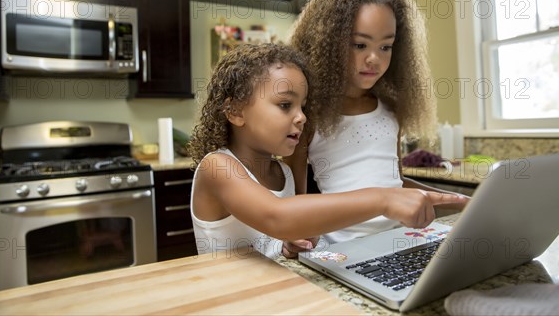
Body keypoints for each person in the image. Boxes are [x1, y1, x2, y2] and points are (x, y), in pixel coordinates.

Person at [188, 43, 466, 259]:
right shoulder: (218, 167)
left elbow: (276, 240)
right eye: (285, 105)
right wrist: (383, 198)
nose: (302, 117)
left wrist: (288, 247)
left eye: (303, 107)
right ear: (235, 110)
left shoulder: (282, 172)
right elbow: (277, 217)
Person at [286, 0, 468, 244]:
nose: (375, 58)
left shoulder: (391, 109)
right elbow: (296, 200)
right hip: (341, 249)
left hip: (400, 240)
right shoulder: (307, 116)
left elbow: (396, 184)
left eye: (386, 46)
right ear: (327, 44)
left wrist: (464, 202)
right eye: (360, 45)